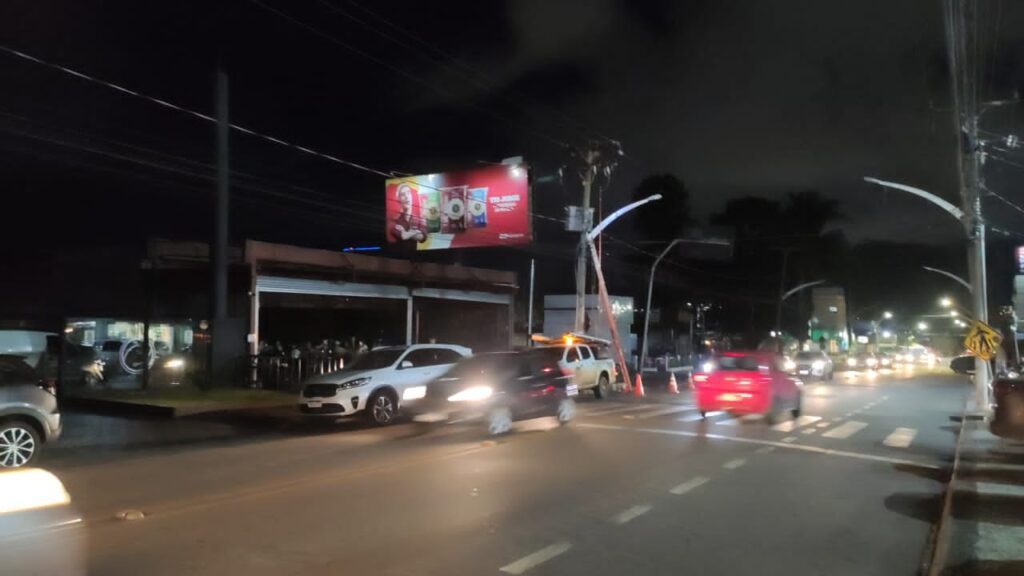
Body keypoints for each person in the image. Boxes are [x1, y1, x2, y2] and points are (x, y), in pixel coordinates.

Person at [390, 184, 425, 249]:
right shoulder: (394, 221)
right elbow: (403, 237)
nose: (406, 196)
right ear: (398, 199)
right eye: (403, 194)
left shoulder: (419, 220)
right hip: (399, 256)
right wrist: (416, 232)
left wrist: (406, 233)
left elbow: (423, 238)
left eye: (408, 193)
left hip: (416, 256)